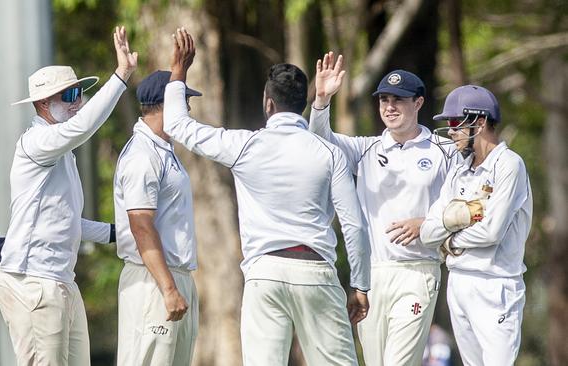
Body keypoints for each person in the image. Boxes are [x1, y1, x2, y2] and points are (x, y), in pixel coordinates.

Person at [164, 29, 370, 366]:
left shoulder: (246, 146)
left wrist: (178, 71)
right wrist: (360, 284)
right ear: (302, 103)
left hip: (265, 273)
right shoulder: (328, 153)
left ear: (268, 102)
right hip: (315, 271)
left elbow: (179, 125)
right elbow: (354, 225)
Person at [0, 26, 138, 366]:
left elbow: (64, 220)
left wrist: (118, 232)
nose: (78, 103)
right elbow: (83, 126)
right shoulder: (36, 142)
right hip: (34, 282)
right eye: (70, 96)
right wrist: (120, 76)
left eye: (80, 94)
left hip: (61, 282)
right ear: (44, 104)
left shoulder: (62, 154)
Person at [309, 53, 460, 366]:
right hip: (373, 275)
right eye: (384, 100)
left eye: (399, 100)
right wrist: (322, 100)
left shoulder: (443, 152)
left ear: (418, 103)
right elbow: (320, 141)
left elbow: (462, 204)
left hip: (418, 271)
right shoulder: (366, 149)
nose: (389, 107)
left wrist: (429, 223)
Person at [420, 85, 532, 365]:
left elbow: (491, 232)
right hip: (458, 283)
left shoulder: (509, 165)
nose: (452, 131)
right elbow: (427, 231)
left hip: (495, 284)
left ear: (479, 122)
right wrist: (452, 221)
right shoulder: (459, 170)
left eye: (456, 123)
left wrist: (450, 242)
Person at [113, 70, 202, 365]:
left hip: (175, 277)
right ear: (166, 104)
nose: (187, 110)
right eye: (183, 101)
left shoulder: (164, 151)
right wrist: (168, 288)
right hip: (153, 283)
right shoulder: (142, 155)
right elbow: (141, 224)